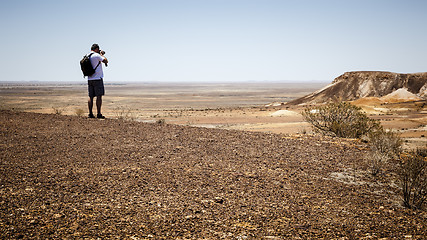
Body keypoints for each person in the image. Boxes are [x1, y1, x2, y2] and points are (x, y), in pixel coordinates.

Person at [86, 43, 108, 119]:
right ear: (96, 49)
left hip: (90, 79)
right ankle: (98, 113)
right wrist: (101, 54)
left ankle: (90, 114)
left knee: (90, 97)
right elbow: (105, 61)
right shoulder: (96, 55)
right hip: (97, 78)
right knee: (99, 96)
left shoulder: (87, 56)